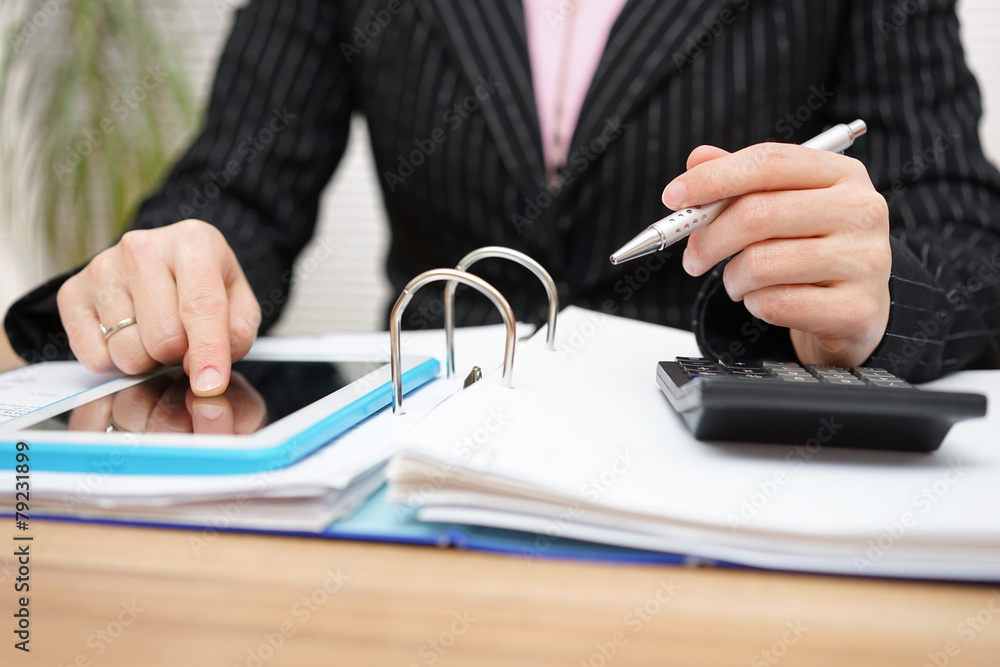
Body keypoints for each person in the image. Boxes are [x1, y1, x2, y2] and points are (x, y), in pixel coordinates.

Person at [5, 0, 1000, 399]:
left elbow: (964, 232)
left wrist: (881, 297)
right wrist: (175, 265)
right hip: (422, 491)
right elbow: (235, 191)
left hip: (735, 496)